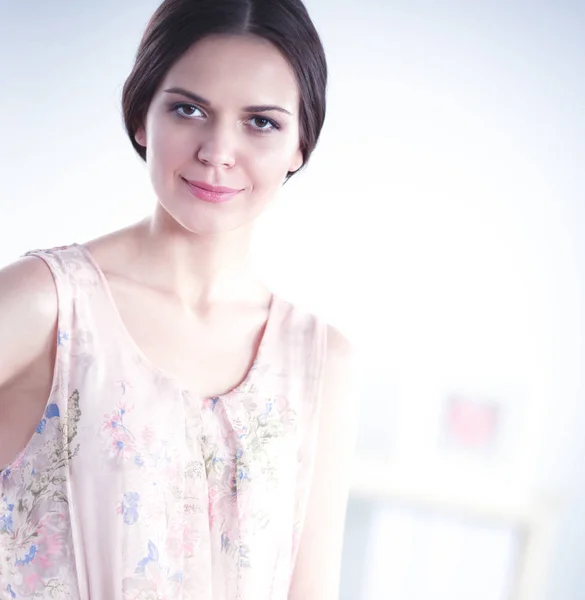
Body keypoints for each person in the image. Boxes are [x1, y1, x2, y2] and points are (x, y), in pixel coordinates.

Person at [0, 0, 357, 597]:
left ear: (300, 144)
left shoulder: (319, 361)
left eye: (261, 122)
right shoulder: (50, 306)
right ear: (142, 117)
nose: (217, 152)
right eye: (189, 110)